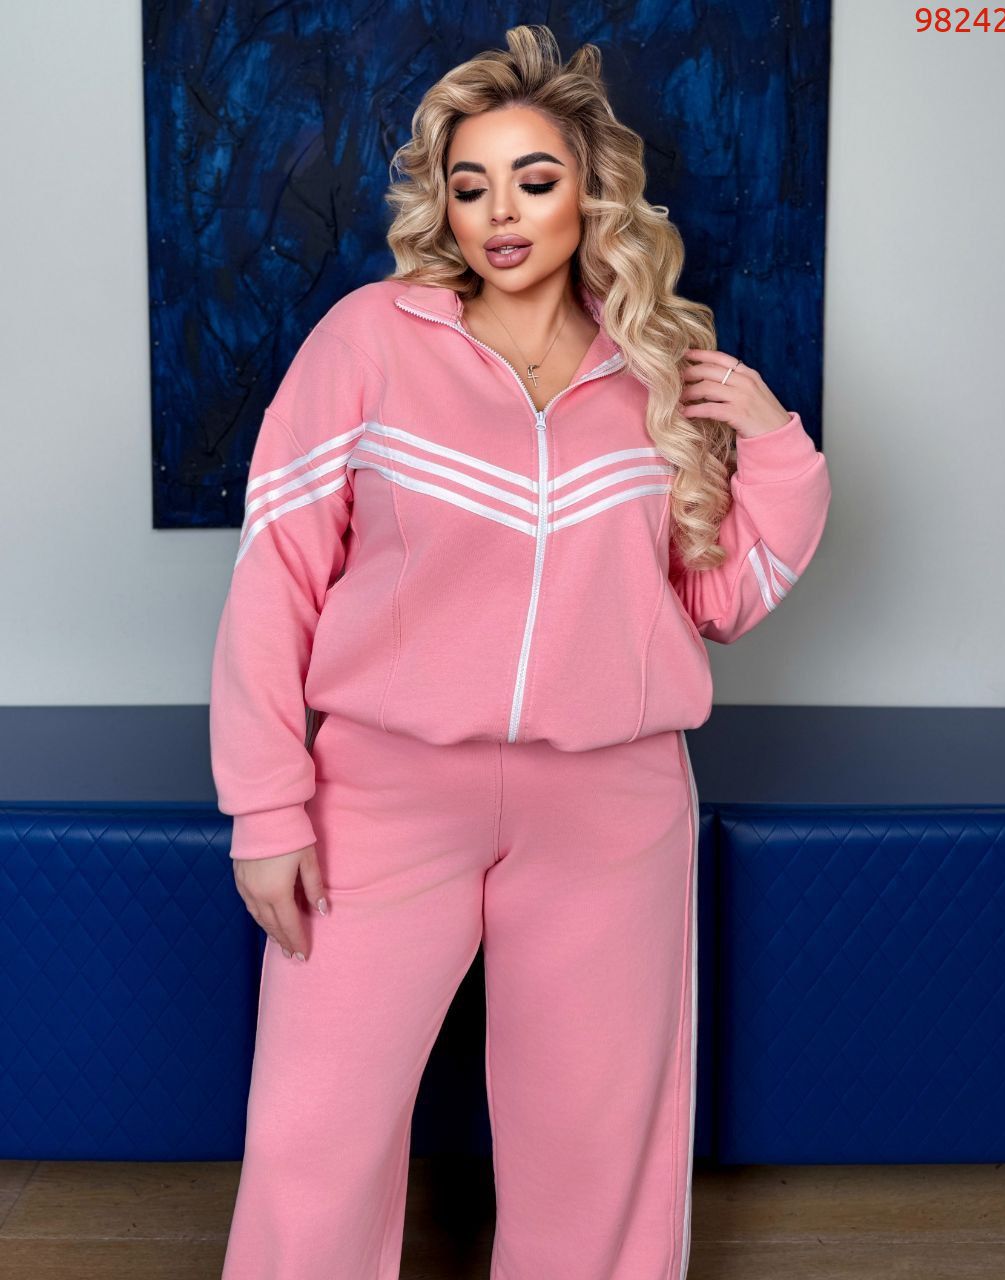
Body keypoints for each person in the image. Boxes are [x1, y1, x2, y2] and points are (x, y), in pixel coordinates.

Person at [209, 23, 831, 1280]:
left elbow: (720, 600)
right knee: (311, 1132)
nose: (500, 211)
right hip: (383, 792)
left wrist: (776, 448)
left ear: (587, 191)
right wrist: (266, 805)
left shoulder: (650, 370)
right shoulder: (368, 341)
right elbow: (274, 579)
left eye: (533, 179)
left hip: (611, 804)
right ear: (441, 203)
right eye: (471, 183)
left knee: (595, 1145)